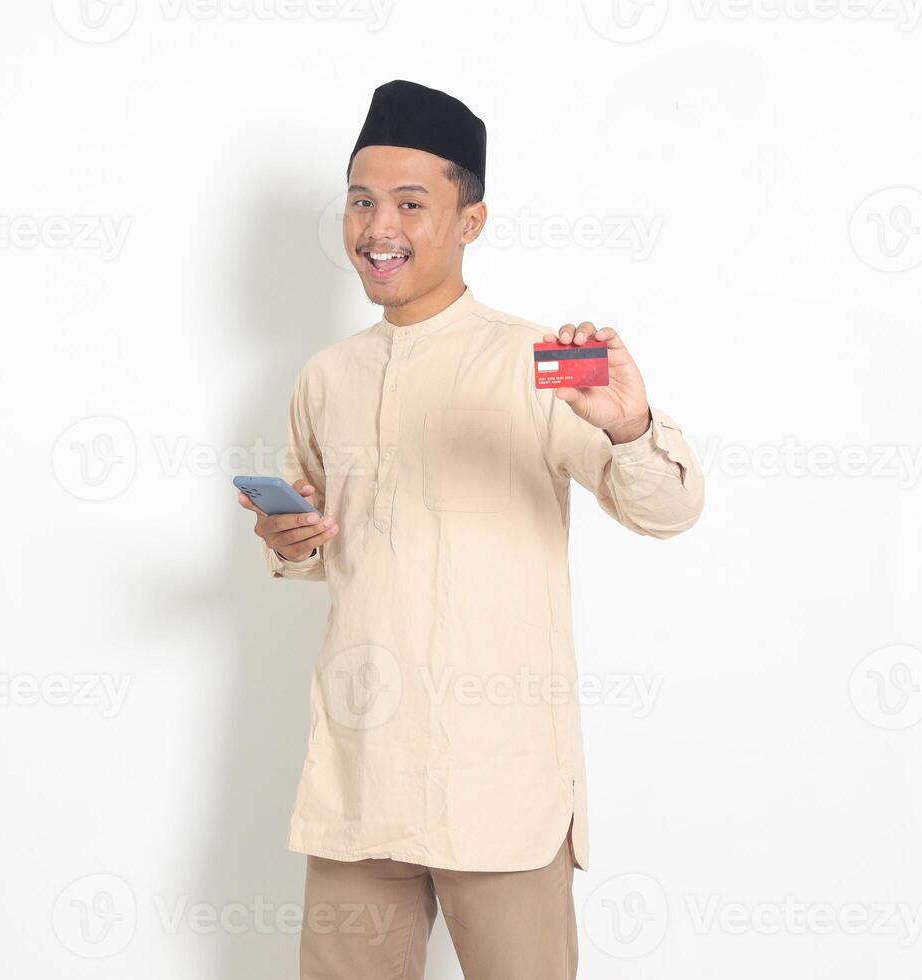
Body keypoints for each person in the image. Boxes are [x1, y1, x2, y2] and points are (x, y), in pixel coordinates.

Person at [236, 78, 705, 980]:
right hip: (359, 778)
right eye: (363, 201)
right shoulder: (325, 377)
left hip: (500, 785)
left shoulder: (543, 359)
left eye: (412, 203)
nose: (380, 227)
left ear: (471, 221)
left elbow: (668, 510)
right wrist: (290, 545)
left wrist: (630, 428)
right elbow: (331, 545)